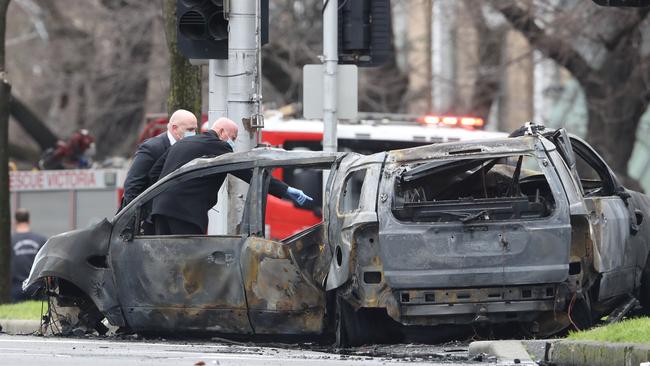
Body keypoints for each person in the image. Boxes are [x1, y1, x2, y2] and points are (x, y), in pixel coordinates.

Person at [149, 117, 312, 235]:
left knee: (165, 265)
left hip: (160, 211)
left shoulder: (182, 143)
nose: (232, 142)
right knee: (187, 266)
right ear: (221, 132)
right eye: (233, 137)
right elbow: (249, 173)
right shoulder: (219, 147)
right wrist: (286, 190)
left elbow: (154, 172)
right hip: (186, 215)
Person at [119, 109, 198, 211]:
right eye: (190, 130)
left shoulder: (189, 148)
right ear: (174, 128)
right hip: (151, 218)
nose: (194, 134)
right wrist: (140, 219)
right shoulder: (152, 148)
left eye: (195, 129)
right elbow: (132, 185)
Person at [10, 209, 47, 302]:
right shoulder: (41, 240)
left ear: (15, 222)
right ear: (29, 221)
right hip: (37, 288)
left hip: (15, 288)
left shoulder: (8, 242)